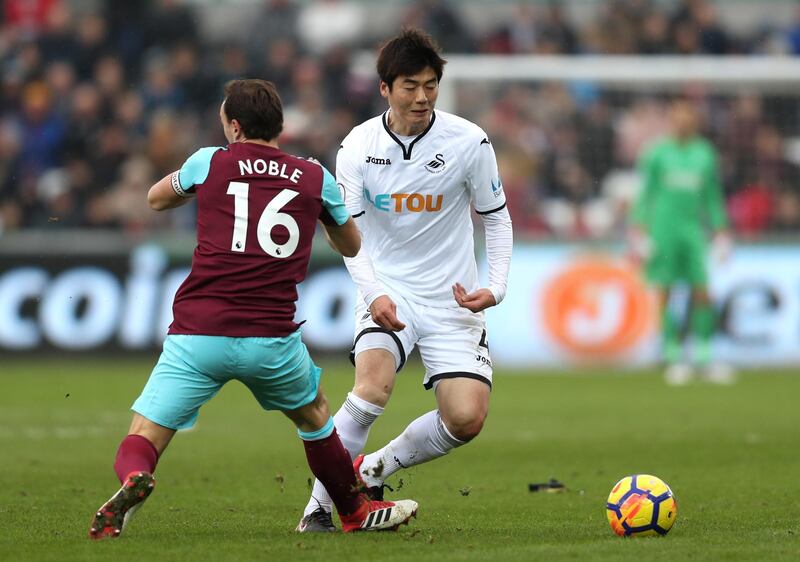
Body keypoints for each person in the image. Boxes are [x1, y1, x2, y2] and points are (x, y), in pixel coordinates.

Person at [88, 79, 418, 539]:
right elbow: (351, 243)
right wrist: (322, 218)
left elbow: (155, 198)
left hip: (198, 334)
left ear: (235, 126)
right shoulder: (313, 176)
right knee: (316, 418)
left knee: (146, 431)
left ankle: (132, 480)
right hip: (271, 339)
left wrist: (200, 188)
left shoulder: (209, 161)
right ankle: (352, 510)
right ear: (279, 126)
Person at [297, 29, 513, 532]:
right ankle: (319, 509)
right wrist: (373, 293)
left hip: (452, 300)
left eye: (431, 85)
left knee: (466, 418)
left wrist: (496, 286)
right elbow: (344, 232)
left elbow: (496, 218)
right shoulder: (357, 146)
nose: (422, 97)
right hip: (387, 288)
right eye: (410, 86)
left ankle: (375, 468)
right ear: (384, 90)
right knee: (372, 387)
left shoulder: (469, 141)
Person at [629, 97, 733, 385]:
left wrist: (721, 229)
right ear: (671, 121)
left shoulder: (705, 153)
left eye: (687, 117)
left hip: (693, 231)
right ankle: (673, 355)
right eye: (677, 117)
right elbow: (646, 194)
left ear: (694, 121)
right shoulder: (657, 153)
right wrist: (638, 230)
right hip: (663, 232)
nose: (682, 122)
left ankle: (703, 355)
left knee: (702, 290)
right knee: (665, 292)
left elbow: (712, 196)